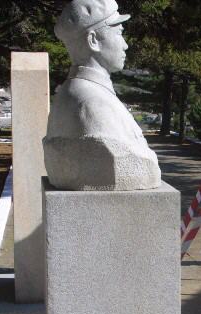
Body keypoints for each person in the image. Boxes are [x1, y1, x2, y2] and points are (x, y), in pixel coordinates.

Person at [44, 0, 161, 191]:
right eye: (119, 33)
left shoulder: (73, 94)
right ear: (93, 41)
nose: (125, 45)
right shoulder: (93, 105)